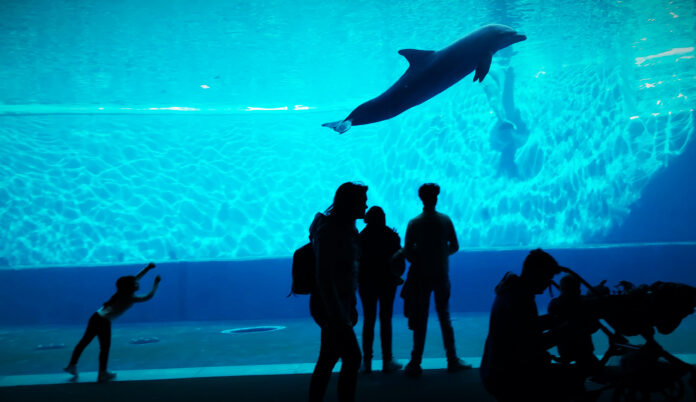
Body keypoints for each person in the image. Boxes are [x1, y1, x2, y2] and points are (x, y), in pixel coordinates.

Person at [480, 249, 585, 401]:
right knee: (573, 376)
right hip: (508, 376)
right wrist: (568, 329)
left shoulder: (513, 291)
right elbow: (531, 343)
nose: (548, 283)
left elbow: (527, 326)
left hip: (495, 369)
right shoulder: (520, 299)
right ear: (537, 274)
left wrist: (556, 318)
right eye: (547, 277)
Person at [402, 183, 471, 376]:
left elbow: (407, 251)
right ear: (436, 198)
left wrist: (421, 258)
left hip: (421, 276)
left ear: (421, 199)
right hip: (441, 274)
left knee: (420, 318)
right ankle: (452, 359)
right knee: (444, 317)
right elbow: (455, 246)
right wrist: (441, 255)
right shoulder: (444, 220)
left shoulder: (414, 222)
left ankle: (415, 362)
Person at [308, 182, 368, 402]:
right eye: (362, 201)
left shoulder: (347, 229)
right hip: (331, 306)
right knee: (353, 357)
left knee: (328, 357)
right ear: (350, 203)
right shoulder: (330, 231)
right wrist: (338, 313)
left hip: (339, 303)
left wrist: (348, 304)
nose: (366, 205)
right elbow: (325, 275)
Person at [64, 262, 161, 382]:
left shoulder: (121, 292)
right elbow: (148, 296)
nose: (137, 282)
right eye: (135, 283)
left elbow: (136, 278)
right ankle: (102, 373)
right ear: (131, 287)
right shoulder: (130, 297)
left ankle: (72, 365)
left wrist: (147, 268)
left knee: (84, 342)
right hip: (103, 322)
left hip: (96, 316)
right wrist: (156, 284)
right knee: (104, 348)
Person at [358, 206, 403, 373]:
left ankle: (367, 361)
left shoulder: (361, 237)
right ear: (382, 218)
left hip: (366, 284)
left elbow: (356, 261)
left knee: (368, 320)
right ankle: (387, 359)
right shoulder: (391, 236)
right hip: (387, 283)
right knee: (386, 320)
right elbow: (399, 261)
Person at [548, 274, 601, 379]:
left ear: (562, 288)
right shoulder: (584, 302)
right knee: (599, 372)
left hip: (564, 351)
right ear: (578, 289)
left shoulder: (555, 304)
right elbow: (594, 327)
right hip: (585, 350)